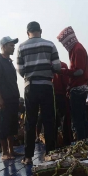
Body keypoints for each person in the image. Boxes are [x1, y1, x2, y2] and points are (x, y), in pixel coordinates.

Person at [17, 21, 61, 165]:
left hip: (30, 86)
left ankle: (28, 157)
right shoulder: (50, 45)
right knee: (49, 120)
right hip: (47, 86)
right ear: (40, 31)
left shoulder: (21, 47)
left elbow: (21, 70)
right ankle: (50, 154)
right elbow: (57, 67)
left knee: (30, 121)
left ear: (27, 32)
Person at [0, 36, 22, 160]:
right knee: (3, 125)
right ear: (3, 46)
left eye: (13, 45)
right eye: (10, 45)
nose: (13, 47)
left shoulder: (9, 62)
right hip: (4, 98)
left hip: (13, 98)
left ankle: (11, 151)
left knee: (12, 125)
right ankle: (4, 153)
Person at [57, 26, 88, 140]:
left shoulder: (77, 49)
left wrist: (62, 71)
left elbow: (79, 71)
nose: (64, 45)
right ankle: (86, 140)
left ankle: (82, 142)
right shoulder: (75, 49)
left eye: (63, 42)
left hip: (78, 89)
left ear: (68, 40)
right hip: (78, 88)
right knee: (81, 117)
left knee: (77, 119)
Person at [53, 61, 72, 146]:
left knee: (53, 121)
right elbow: (66, 81)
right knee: (65, 119)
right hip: (62, 95)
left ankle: (54, 143)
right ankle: (66, 141)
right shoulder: (62, 65)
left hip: (51, 96)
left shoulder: (47, 65)